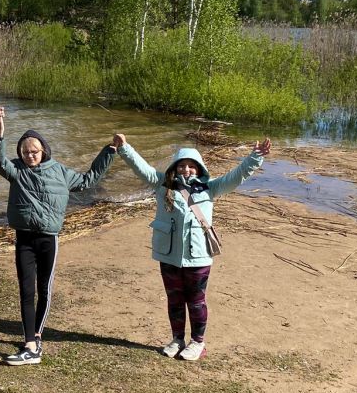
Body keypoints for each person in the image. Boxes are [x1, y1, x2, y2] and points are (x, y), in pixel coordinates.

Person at [112, 134, 271, 361]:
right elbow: (142, 168)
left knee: (196, 301)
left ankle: (197, 343)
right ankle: (177, 339)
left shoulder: (211, 188)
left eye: (191, 166)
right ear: (174, 168)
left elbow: (238, 175)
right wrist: (124, 148)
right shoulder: (162, 185)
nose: (186, 170)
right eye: (181, 166)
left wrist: (255, 157)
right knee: (174, 299)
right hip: (169, 255)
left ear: (199, 169)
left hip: (198, 257)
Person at [0, 106, 116, 365]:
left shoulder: (60, 172)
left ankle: (36, 336)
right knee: (26, 290)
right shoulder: (16, 171)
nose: (29, 156)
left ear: (44, 150)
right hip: (24, 238)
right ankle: (29, 343)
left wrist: (109, 151)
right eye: (25, 152)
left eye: (34, 152)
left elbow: (87, 180)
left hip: (49, 238)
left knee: (44, 289)